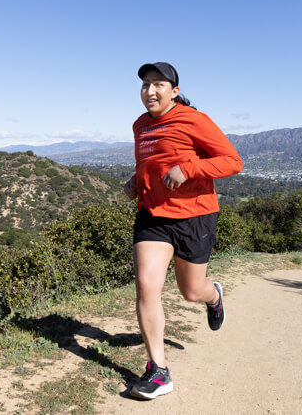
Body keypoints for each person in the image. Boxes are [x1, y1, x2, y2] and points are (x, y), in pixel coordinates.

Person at [124, 61, 243, 400]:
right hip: (153, 217)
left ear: (174, 91)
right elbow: (151, 162)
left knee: (191, 291)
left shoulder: (194, 119)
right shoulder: (139, 125)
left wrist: (188, 168)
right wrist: (137, 181)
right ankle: (158, 371)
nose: (150, 90)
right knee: (147, 285)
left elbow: (233, 161)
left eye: (158, 84)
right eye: (145, 84)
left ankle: (214, 296)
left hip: (194, 216)